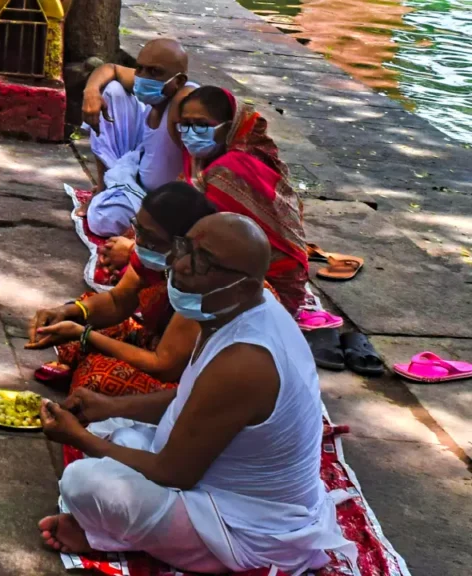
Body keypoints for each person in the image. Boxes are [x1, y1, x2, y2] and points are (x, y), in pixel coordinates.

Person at [36, 213, 354, 574]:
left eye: (202, 261)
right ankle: (122, 525)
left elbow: (174, 473)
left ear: (244, 285)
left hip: (247, 530)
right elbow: (189, 397)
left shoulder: (245, 360)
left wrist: (77, 437)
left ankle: (123, 536)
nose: (181, 265)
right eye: (184, 247)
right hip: (212, 477)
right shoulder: (230, 308)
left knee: (84, 482)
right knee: (115, 425)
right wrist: (109, 406)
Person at [26, 182, 215, 396]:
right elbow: (118, 301)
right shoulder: (154, 253)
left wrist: (85, 335)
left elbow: (164, 366)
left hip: (186, 376)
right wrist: (69, 311)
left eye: (151, 238)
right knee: (81, 313)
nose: (139, 242)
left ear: (181, 245)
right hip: (154, 341)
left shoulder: (204, 285)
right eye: (138, 229)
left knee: (97, 376)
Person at [179, 86, 308, 315]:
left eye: (201, 124)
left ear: (228, 128)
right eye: (185, 124)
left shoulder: (231, 169)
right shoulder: (200, 161)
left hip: (272, 285)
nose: (191, 132)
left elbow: (198, 232)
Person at [77, 38, 196, 240]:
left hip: (161, 201)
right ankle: (104, 188)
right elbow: (110, 69)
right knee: (112, 92)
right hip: (137, 166)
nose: (142, 77)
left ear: (179, 81)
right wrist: (91, 92)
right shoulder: (154, 86)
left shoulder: (185, 101)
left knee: (103, 219)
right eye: (139, 68)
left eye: (154, 72)